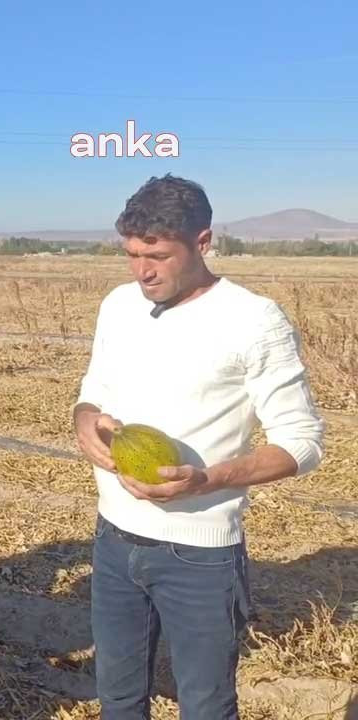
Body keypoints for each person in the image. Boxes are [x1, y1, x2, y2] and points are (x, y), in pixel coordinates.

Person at [74, 173, 325, 717]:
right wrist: (85, 419)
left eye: (158, 255)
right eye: (133, 254)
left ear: (203, 242)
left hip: (199, 554)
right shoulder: (119, 304)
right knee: (117, 699)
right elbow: (94, 388)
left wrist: (206, 479)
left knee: (206, 706)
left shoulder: (254, 319)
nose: (142, 270)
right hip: (113, 540)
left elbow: (301, 442)